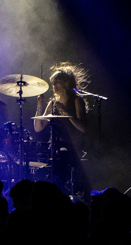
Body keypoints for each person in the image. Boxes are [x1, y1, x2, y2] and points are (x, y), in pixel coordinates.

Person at [33, 62, 89, 199]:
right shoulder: (52, 104)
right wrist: (40, 105)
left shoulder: (76, 101)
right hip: (54, 148)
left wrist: (66, 112)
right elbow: (38, 127)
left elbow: (83, 128)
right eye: (53, 83)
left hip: (72, 148)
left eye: (57, 82)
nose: (54, 86)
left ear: (66, 83)